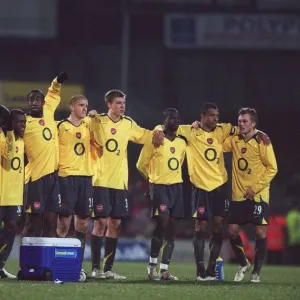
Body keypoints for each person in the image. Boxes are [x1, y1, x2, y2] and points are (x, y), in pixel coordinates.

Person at [89, 89, 163, 279]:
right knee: (100, 222)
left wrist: (160, 130)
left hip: (119, 183)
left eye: (123, 103)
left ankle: (108, 269)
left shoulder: (128, 124)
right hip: (100, 180)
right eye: (118, 103)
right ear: (109, 104)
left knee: (115, 223)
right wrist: (90, 119)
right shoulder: (98, 121)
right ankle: (96, 269)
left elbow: (147, 135)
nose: (122, 106)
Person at [223, 107, 277, 283]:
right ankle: (243, 263)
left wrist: (255, 188)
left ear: (253, 123)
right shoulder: (234, 140)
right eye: (239, 121)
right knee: (231, 231)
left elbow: (272, 168)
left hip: (258, 195)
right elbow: (215, 144)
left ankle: (256, 273)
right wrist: (198, 126)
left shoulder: (262, 141)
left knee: (260, 232)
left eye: (245, 121)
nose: (241, 124)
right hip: (238, 195)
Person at [137, 108, 187, 280]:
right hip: (159, 187)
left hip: (177, 188)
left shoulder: (182, 142)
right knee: (162, 223)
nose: (176, 121)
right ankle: (152, 266)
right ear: (164, 121)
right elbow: (141, 165)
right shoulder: (155, 139)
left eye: (178, 118)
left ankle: (164, 270)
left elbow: (180, 162)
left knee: (172, 228)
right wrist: (152, 181)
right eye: (172, 118)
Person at [24, 72, 69, 237]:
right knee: (33, 223)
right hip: (35, 178)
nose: (34, 102)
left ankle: (46, 262)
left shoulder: (49, 110)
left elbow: (53, 93)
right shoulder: (24, 123)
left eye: (37, 99)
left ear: (43, 103)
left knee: (51, 222)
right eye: (31, 100)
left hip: (53, 178)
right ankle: (27, 263)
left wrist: (57, 81)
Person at [56, 95, 94, 278]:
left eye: (86, 105)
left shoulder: (90, 124)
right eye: (81, 105)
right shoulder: (61, 127)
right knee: (64, 221)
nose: (85, 108)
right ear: (72, 107)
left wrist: (94, 119)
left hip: (86, 178)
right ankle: (57, 263)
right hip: (66, 178)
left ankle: (77, 266)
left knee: (83, 223)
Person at [0, 109, 26, 279]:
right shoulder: (2, 137)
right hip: (1, 194)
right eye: (19, 122)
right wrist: (9, 132)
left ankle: (0, 266)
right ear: (10, 123)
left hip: (14, 195)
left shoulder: (23, 140)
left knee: (10, 229)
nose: (23, 125)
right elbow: (7, 162)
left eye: (24, 122)